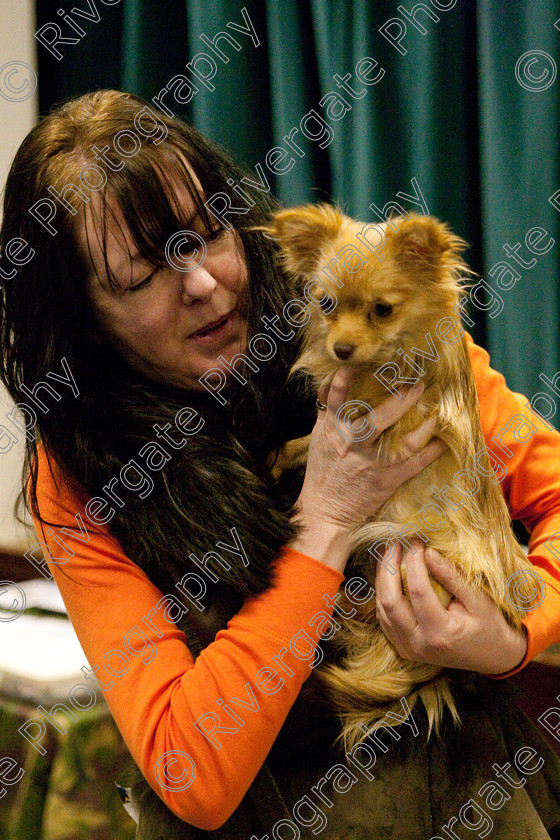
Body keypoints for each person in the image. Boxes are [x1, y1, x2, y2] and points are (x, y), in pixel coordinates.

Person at [1, 89, 560, 839]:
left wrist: (512, 639)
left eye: (208, 233)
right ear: (84, 322)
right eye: (143, 276)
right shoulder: (77, 475)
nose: (202, 283)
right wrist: (324, 524)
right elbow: (187, 769)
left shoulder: (365, 313)